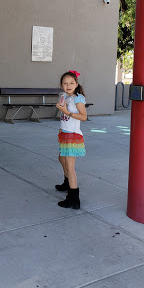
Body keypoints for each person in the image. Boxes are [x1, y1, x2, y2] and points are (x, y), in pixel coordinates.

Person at [55, 70, 87, 209]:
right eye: (65, 83)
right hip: (65, 133)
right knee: (61, 158)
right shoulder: (65, 96)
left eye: (71, 83)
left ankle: (74, 198)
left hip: (72, 136)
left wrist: (66, 111)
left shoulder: (77, 98)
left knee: (70, 167)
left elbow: (83, 116)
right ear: (61, 85)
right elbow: (65, 118)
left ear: (76, 84)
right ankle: (67, 183)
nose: (68, 85)